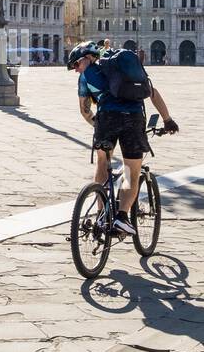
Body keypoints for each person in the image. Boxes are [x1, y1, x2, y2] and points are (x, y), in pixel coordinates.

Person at [68, 41, 178, 236]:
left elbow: (85, 111)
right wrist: (167, 120)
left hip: (106, 119)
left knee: (103, 163)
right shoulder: (127, 66)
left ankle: (101, 215)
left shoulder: (86, 76)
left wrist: (100, 125)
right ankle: (121, 217)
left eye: (76, 64)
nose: (76, 70)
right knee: (130, 172)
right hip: (134, 119)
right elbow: (151, 92)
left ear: (87, 58)